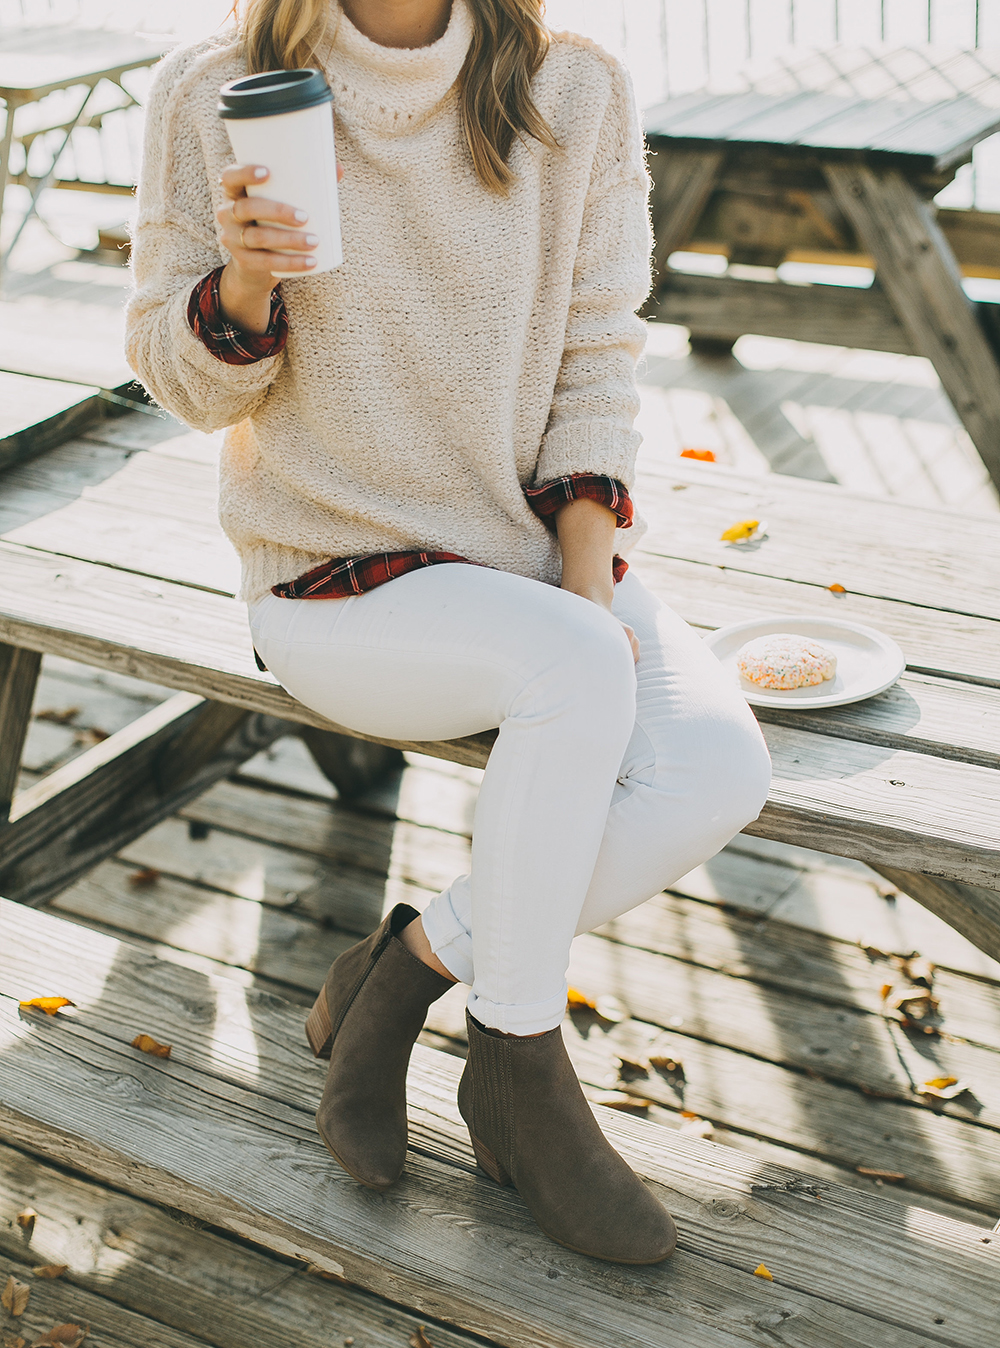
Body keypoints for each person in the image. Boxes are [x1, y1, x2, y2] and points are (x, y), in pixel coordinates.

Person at [126, 0, 771, 1266]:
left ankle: (408, 965)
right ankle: (518, 1074)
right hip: (330, 575)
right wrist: (247, 280)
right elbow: (181, 378)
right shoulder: (214, 89)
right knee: (575, 666)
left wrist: (585, 580)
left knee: (715, 765)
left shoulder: (571, 88)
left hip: (528, 553)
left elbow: (598, 352)